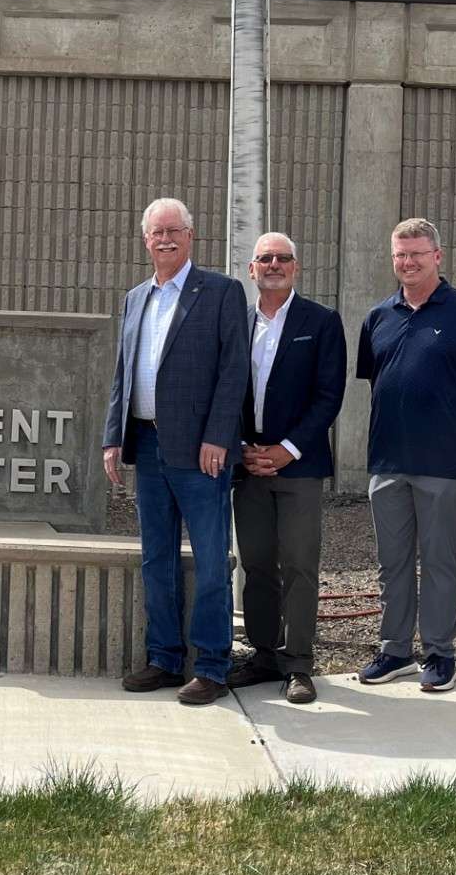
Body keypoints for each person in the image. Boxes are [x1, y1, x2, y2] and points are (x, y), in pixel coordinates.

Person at [102, 198, 249, 706]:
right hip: (146, 444)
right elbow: (123, 372)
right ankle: (164, 657)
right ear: (146, 240)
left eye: (174, 230)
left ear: (191, 235)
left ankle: (211, 666)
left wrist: (219, 436)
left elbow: (234, 371)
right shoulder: (135, 298)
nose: (165, 239)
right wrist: (113, 436)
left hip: (201, 450)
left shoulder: (222, 292)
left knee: (210, 560)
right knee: (156, 558)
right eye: (156, 232)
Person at [355, 218, 456, 694]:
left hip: (443, 461)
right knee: (392, 562)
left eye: (417, 254)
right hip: (387, 460)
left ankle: (440, 654)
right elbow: (377, 380)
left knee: (440, 561)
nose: (409, 262)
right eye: (401, 255)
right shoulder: (379, 316)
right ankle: (395, 650)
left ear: (437, 256)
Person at [229, 232, 345, 705]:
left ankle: (298, 663)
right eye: (265, 258)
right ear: (252, 269)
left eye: (283, 258)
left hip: (299, 466)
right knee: (256, 564)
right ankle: (263, 655)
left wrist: (287, 450)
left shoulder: (321, 321)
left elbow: (328, 396)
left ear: (295, 267)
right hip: (248, 465)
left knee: (299, 564)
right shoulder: (237, 322)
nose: (274, 265)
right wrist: (241, 448)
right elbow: (225, 390)